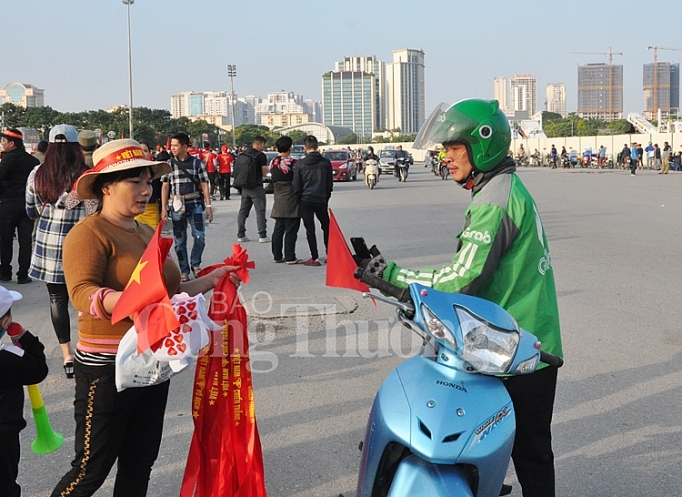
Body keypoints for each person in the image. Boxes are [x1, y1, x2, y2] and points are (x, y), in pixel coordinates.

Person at [363, 99, 563, 497]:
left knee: (530, 453)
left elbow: (461, 278)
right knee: (524, 449)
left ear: (482, 147)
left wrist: (392, 276)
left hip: (516, 346)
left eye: (455, 148)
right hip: (510, 334)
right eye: (445, 148)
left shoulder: (494, 201)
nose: (446, 156)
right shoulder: (500, 188)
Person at [51, 139, 240, 497]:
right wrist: (128, 301)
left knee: (140, 461)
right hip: (107, 366)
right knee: (91, 468)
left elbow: (168, 290)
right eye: (135, 182)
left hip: (152, 361)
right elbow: (82, 292)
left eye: (148, 182)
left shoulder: (142, 232)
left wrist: (211, 280)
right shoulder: (89, 233)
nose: (145, 191)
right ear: (106, 187)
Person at [26, 123, 94, 378]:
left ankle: (67, 356)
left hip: (50, 245)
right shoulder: (87, 176)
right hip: (83, 245)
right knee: (85, 300)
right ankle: (86, 348)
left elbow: (31, 210)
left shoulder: (37, 174)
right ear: (77, 147)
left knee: (58, 300)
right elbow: (93, 211)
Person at [0, 285, 49, 497]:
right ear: (5, 322)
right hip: (4, 436)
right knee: (6, 485)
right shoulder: (8, 360)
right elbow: (38, 369)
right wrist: (26, 339)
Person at [160, 133, 212, 282]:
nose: (173, 148)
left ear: (185, 146)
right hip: (177, 207)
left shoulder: (197, 163)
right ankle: (184, 270)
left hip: (195, 204)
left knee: (199, 237)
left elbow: (204, 184)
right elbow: (165, 186)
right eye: (172, 146)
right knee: (179, 240)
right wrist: (164, 208)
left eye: (176, 146)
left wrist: (208, 206)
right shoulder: (169, 165)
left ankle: (196, 264)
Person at [0, 128, 40, 284]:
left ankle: (5, 273)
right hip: (27, 206)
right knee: (25, 241)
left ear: (12, 143)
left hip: (8, 204)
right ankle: (23, 274)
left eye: (3, 141)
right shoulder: (33, 161)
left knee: (6, 239)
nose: (2, 144)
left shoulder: (8, 159)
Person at [292, 135, 333, 267]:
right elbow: (329, 184)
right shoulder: (325, 163)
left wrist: (299, 198)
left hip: (306, 199)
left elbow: (296, 185)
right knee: (326, 227)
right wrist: (326, 197)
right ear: (317, 146)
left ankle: (314, 257)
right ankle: (330, 254)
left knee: (310, 229)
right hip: (321, 199)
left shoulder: (300, 164)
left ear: (305, 147)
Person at [269, 136, 301, 265]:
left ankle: (277, 255)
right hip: (290, 194)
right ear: (289, 148)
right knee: (291, 228)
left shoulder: (273, 162)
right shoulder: (292, 162)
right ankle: (290, 256)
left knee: (279, 227)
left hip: (278, 194)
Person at [236, 136, 270, 243]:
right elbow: (264, 172)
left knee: (243, 211)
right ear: (260, 144)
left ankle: (241, 234)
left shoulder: (243, 154)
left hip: (245, 187)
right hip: (256, 187)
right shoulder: (261, 156)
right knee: (260, 211)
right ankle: (262, 235)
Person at [134, 141, 162, 228]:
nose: (142, 153)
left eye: (145, 151)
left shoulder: (156, 169)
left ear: (150, 153)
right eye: (139, 151)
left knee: (152, 237)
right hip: (135, 209)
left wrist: (163, 209)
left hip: (152, 209)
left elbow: (161, 191)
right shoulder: (130, 171)